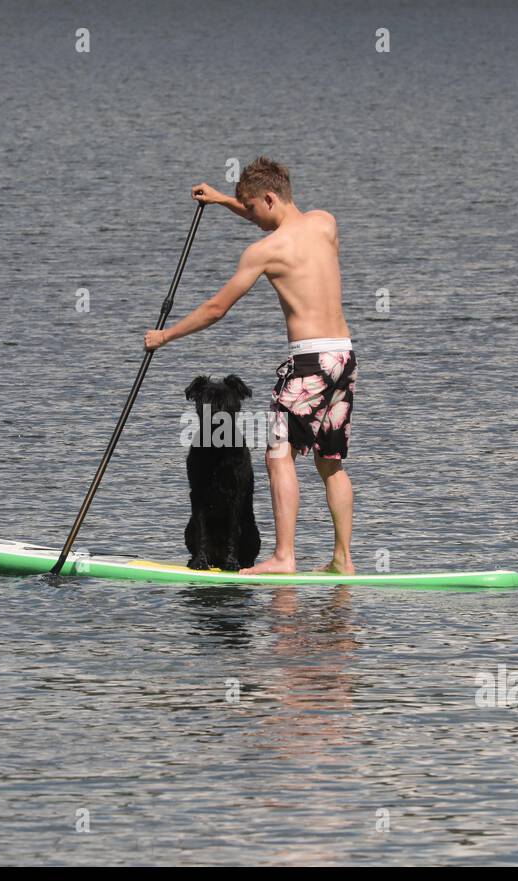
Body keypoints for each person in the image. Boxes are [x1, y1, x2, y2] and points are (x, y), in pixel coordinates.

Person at [144, 157, 357, 574]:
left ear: (270, 197)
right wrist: (225, 200)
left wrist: (165, 336)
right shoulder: (324, 222)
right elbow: (272, 217)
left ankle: (283, 558)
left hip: (309, 360)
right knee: (330, 462)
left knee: (278, 454)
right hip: (343, 356)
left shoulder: (264, 252)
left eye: (254, 209)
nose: (254, 220)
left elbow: (216, 307)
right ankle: (343, 560)